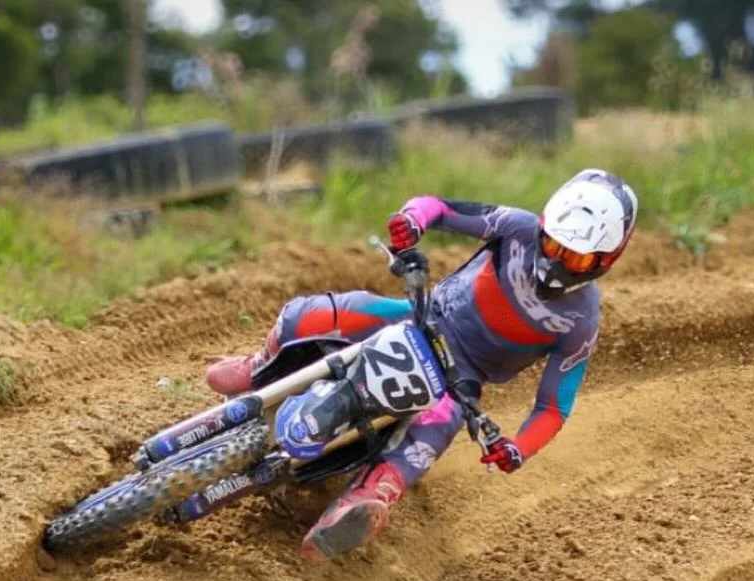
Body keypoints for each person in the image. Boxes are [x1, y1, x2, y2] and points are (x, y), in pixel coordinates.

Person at [205, 169, 639, 561]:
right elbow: (440, 208)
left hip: (459, 380)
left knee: (430, 434)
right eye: (554, 243)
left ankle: (365, 502)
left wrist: (518, 447)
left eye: (576, 257)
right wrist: (411, 220)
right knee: (315, 312)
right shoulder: (517, 227)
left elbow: (552, 408)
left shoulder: (582, 322)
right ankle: (259, 367)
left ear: (606, 260)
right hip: (419, 315)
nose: (557, 260)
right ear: (543, 225)